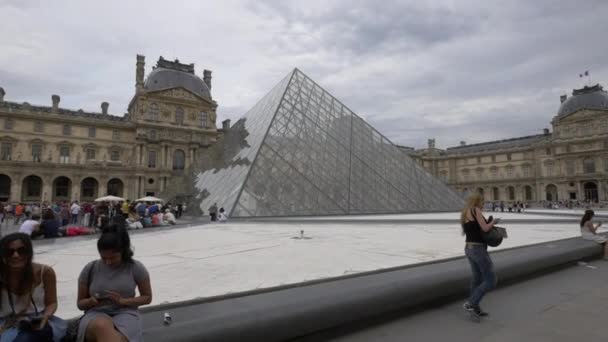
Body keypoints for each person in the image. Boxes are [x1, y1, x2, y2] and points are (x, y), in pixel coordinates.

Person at [76, 224, 152, 342]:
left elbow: (147, 297)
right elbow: (80, 304)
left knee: (112, 337)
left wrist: (123, 301)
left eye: (113, 258)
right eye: (103, 257)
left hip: (126, 312)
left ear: (123, 251)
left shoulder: (135, 267)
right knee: (102, 326)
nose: (108, 262)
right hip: (95, 314)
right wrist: (90, 301)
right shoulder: (90, 268)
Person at [0, 233, 66, 341]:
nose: (16, 255)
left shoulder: (45, 272)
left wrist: (46, 316)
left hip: (36, 320)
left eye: (21, 250)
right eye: (9, 252)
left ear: (29, 252)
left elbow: (52, 303)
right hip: (6, 323)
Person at [460, 193, 500, 320]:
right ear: (477, 201)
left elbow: (475, 229)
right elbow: (485, 228)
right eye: (482, 202)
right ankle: (471, 303)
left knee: (477, 279)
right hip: (478, 249)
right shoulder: (475, 210)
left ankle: (475, 308)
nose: (483, 205)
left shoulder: (465, 212)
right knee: (491, 280)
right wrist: (493, 222)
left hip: (468, 248)